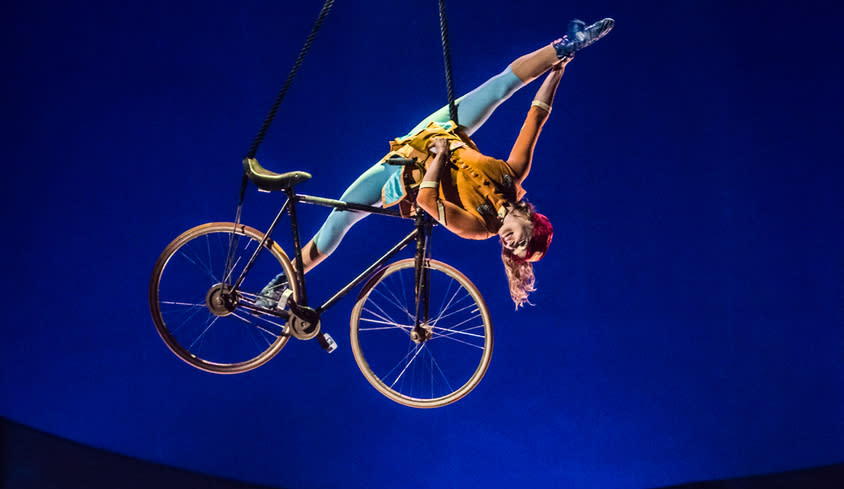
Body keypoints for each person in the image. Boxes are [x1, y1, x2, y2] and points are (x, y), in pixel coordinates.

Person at [259, 17, 613, 308]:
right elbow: (535, 119)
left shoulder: (481, 228)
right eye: (521, 243)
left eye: (513, 250)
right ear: (531, 222)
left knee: (335, 226)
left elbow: (427, 201)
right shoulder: (512, 175)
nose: (509, 244)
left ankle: (282, 281)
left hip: (402, 171)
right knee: (497, 89)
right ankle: (565, 45)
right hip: (439, 133)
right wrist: (557, 72)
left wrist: (440, 158)